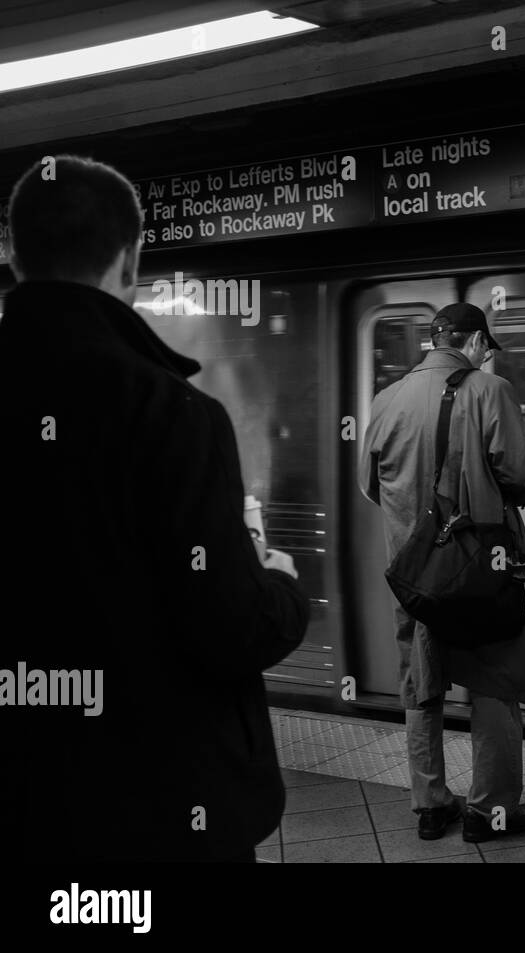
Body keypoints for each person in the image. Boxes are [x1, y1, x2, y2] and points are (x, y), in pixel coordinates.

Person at [0, 155, 308, 862]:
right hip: (154, 808)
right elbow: (229, 626)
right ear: (131, 260)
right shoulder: (172, 412)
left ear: (14, 255)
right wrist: (281, 582)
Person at [359, 302, 525, 843]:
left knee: (420, 679)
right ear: (473, 342)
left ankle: (431, 801)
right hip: (480, 571)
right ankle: (490, 810)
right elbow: (523, 476)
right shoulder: (491, 391)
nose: (489, 356)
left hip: (413, 570)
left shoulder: (386, 398)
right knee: (493, 676)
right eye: (488, 346)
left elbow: (371, 487)